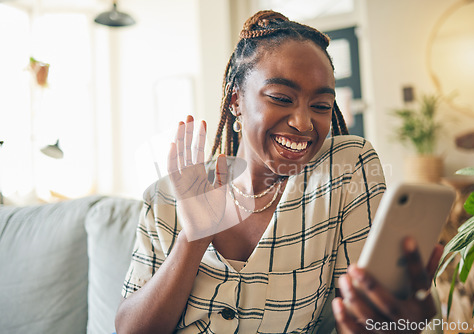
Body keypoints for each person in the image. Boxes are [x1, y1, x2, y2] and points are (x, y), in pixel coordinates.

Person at [115, 10, 442, 333]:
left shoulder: (343, 172)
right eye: (281, 98)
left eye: (321, 106)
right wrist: (192, 239)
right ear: (236, 101)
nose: (303, 123)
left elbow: (367, 313)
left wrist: (399, 322)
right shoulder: (166, 197)